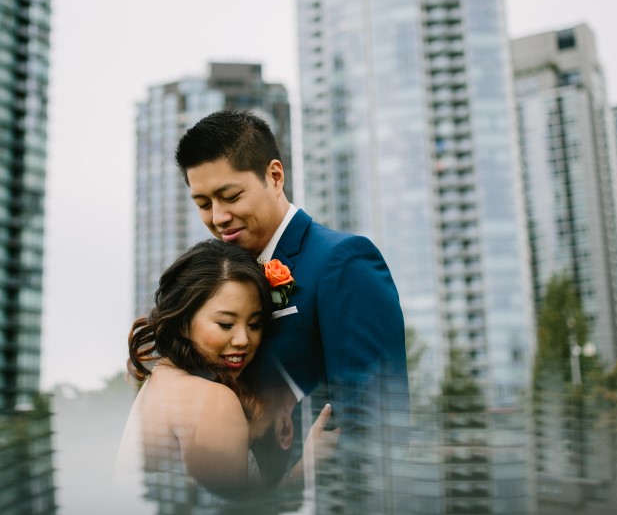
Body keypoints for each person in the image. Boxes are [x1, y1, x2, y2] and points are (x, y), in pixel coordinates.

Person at [174, 110, 410, 448]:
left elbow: (376, 420)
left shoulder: (344, 261)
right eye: (203, 203)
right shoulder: (216, 278)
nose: (218, 217)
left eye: (231, 196)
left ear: (274, 176)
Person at [119, 239, 334, 492]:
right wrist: (308, 467)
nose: (243, 340)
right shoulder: (212, 399)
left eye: (254, 325)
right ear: (183, 319)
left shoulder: (159, 379)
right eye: (225, 324)